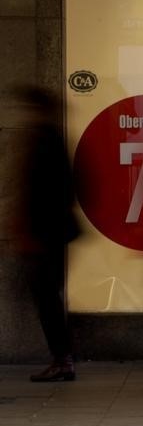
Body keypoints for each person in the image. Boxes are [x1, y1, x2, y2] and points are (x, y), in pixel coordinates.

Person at [12, 85, 81, 382]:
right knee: (47, 296)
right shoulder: (50, 136)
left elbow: (43, 191)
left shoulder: (45, 138)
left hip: (44, 234)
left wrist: (33, 230)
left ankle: (62, 359)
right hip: (48, 232)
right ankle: (62, 358)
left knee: (47, 298)